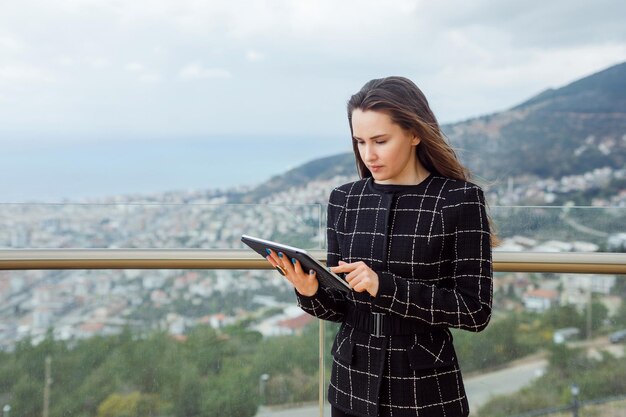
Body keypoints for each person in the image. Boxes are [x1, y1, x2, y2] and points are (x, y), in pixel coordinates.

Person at [265, 76, 494, 417]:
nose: (368, 154)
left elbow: (475, 311)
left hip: (425, 391)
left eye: (380, 140)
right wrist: (310, 291)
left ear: (415, 133)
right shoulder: (344, 200)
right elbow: (343, 307)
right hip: (350, 386)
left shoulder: (457, 200)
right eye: (359, 141)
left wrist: (383, 286)